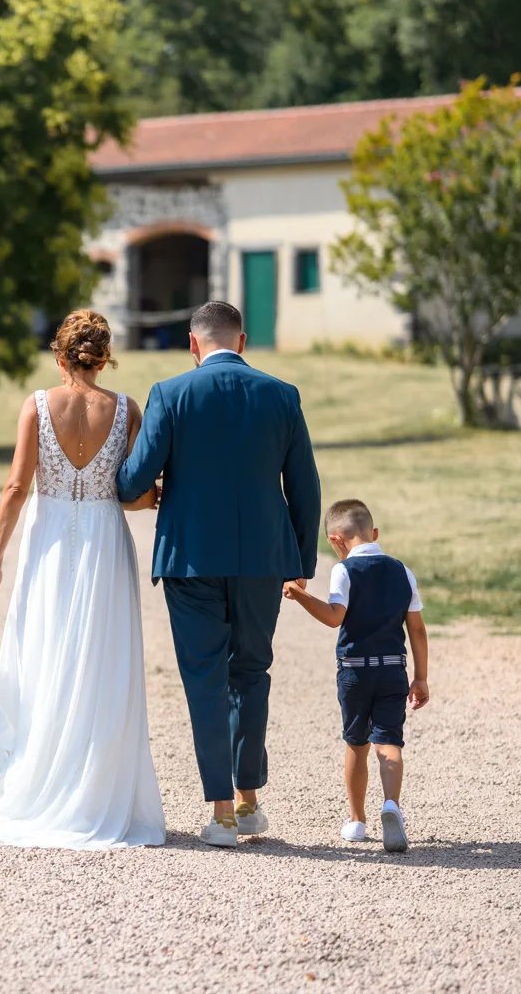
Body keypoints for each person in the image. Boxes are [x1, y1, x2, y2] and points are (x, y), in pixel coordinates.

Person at [0, 310, 167, 850]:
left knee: (43, 653)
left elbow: (16, 487)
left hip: (47, 543)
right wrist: (154, 495)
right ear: (104, 354)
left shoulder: (38, 405)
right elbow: (136, 495)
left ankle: (39, 777)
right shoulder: (125, 409)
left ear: (59, 355)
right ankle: (95, 791)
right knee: (100, 658)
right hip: (104, 544)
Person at [116, 300, 322, 848]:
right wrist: (300, 564)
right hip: (264, 559)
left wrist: (141, 486)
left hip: (191, 557)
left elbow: (134, 477)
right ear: (243, 340)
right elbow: (304, 487)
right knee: (251, 672)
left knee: (204, 680)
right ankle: (251, 798)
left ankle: (223, 813)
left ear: (192, 343)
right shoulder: (283, 395)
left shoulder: (171, 394)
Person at [282, 499, 430, 852]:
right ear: (373, 533)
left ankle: (357, 820)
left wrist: (301, 595)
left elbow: (335, 617)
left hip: (355, 673)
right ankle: (391, 804)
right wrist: (421, 677)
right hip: (394, 669)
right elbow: (418, 630)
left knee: (356, 745)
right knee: (389, 743)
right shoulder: (402, 570)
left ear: (336, 540)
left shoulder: (343, 570)